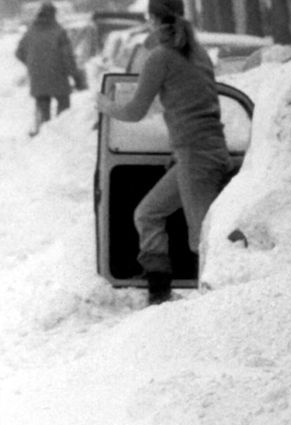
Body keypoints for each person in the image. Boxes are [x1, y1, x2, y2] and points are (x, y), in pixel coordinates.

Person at [95, 0, 230, 306]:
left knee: (202, 239)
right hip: (203, 152)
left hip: (197, 157)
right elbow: (197, 103)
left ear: (153, 19)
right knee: (148, 213)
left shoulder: (161, 57)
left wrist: (106, 106)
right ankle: (158, 292)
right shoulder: (198, 53)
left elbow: (134, 111)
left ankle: (218, 305)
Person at [15, 1, 86, 137]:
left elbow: (19, 52)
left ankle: (42, 132)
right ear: (53, 14)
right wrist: (76, 77)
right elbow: (67, 57)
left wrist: (32, 64)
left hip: (38, 77)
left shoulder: (30, 32)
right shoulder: (59, 32)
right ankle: (61, 133)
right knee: (64, 104)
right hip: (57, 75)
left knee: (42, 104)